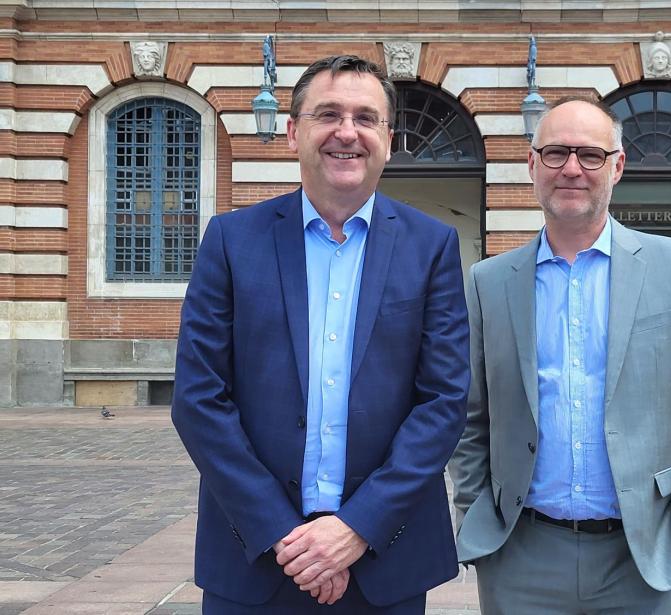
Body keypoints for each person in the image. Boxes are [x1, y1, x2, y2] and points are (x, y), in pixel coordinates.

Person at [172, 55, 470, 614]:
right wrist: (288, 538)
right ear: (293, 132)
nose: (346, 132)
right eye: (327, 114)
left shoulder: (432, 247)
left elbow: (444, 402)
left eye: (366, 117)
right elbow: (198, 398)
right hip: (255, 555)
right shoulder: (232, 240)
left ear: (387, 137)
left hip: (386, 558)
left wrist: (356, 528)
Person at [449, 97, 671, 614]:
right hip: (521, 558)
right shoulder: (489, 282)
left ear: (618, 166)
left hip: (646, 558)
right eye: (556, 153)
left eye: (590, 155)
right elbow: (471, 420)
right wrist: (475, 515)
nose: (572, 169)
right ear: (532, 164)